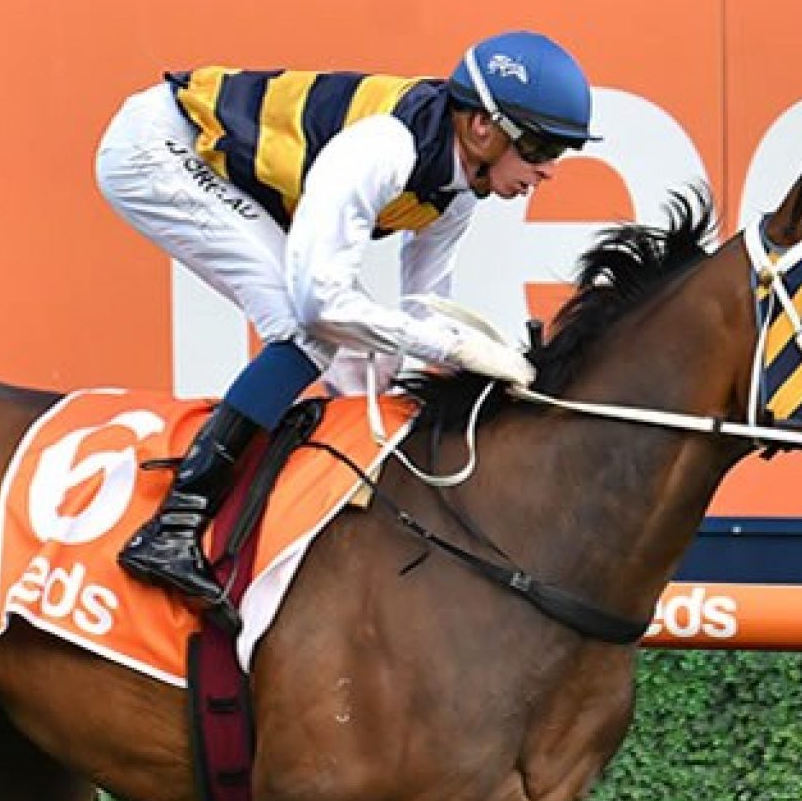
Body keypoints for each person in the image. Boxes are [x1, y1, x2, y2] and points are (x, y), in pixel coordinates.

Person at [94, 30, 599, 614]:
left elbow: (425, 315)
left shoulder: (460, 190)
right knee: (305, 329)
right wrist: (456, 347)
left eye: (558, 153)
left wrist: (485, 371)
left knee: (368, 358)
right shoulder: (384, 148)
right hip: (159, 149)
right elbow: (321, 305)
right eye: (537, 147)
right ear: (482, 126)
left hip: (215, 166)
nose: (547, 169)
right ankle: (173, 526)